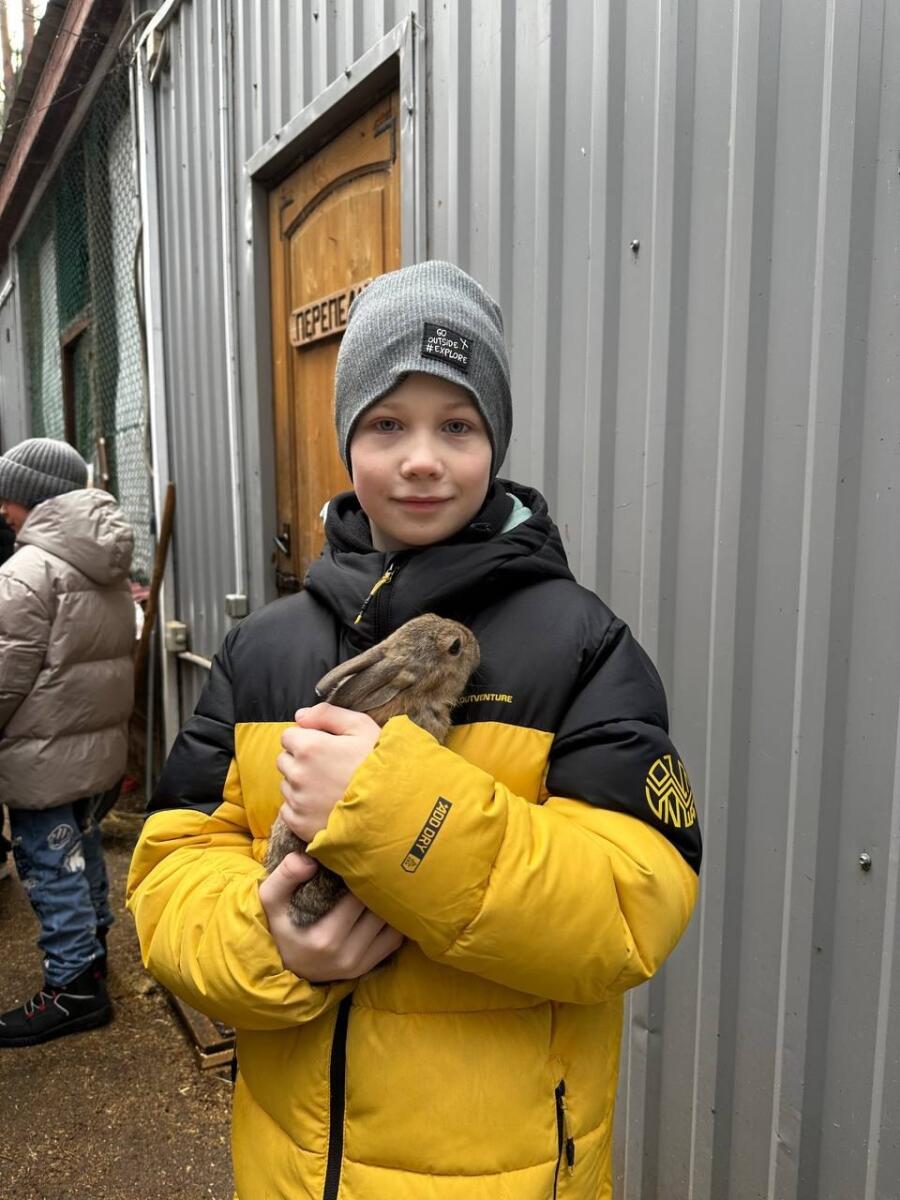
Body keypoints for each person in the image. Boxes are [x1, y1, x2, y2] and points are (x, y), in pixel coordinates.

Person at [127, 262, 702, 1199]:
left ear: (494, 441)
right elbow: (169, 870)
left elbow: (632, 907)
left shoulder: (580, 646)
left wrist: (394, 811)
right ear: (347, 438)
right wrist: (272, 945)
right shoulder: (265, 649)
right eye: (387, 424)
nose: (423, 458)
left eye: (457, 426)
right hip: (290, 1173)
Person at [0, 438, 135, 1047]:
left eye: (8, 496)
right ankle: (92, 952)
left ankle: (73, 986)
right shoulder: (101, 562)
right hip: (89, 749)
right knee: (80, 853)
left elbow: (6, 676)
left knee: (48, 865)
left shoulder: (29, 571)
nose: (2, 509)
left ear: (31, 497)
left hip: (42, 754)